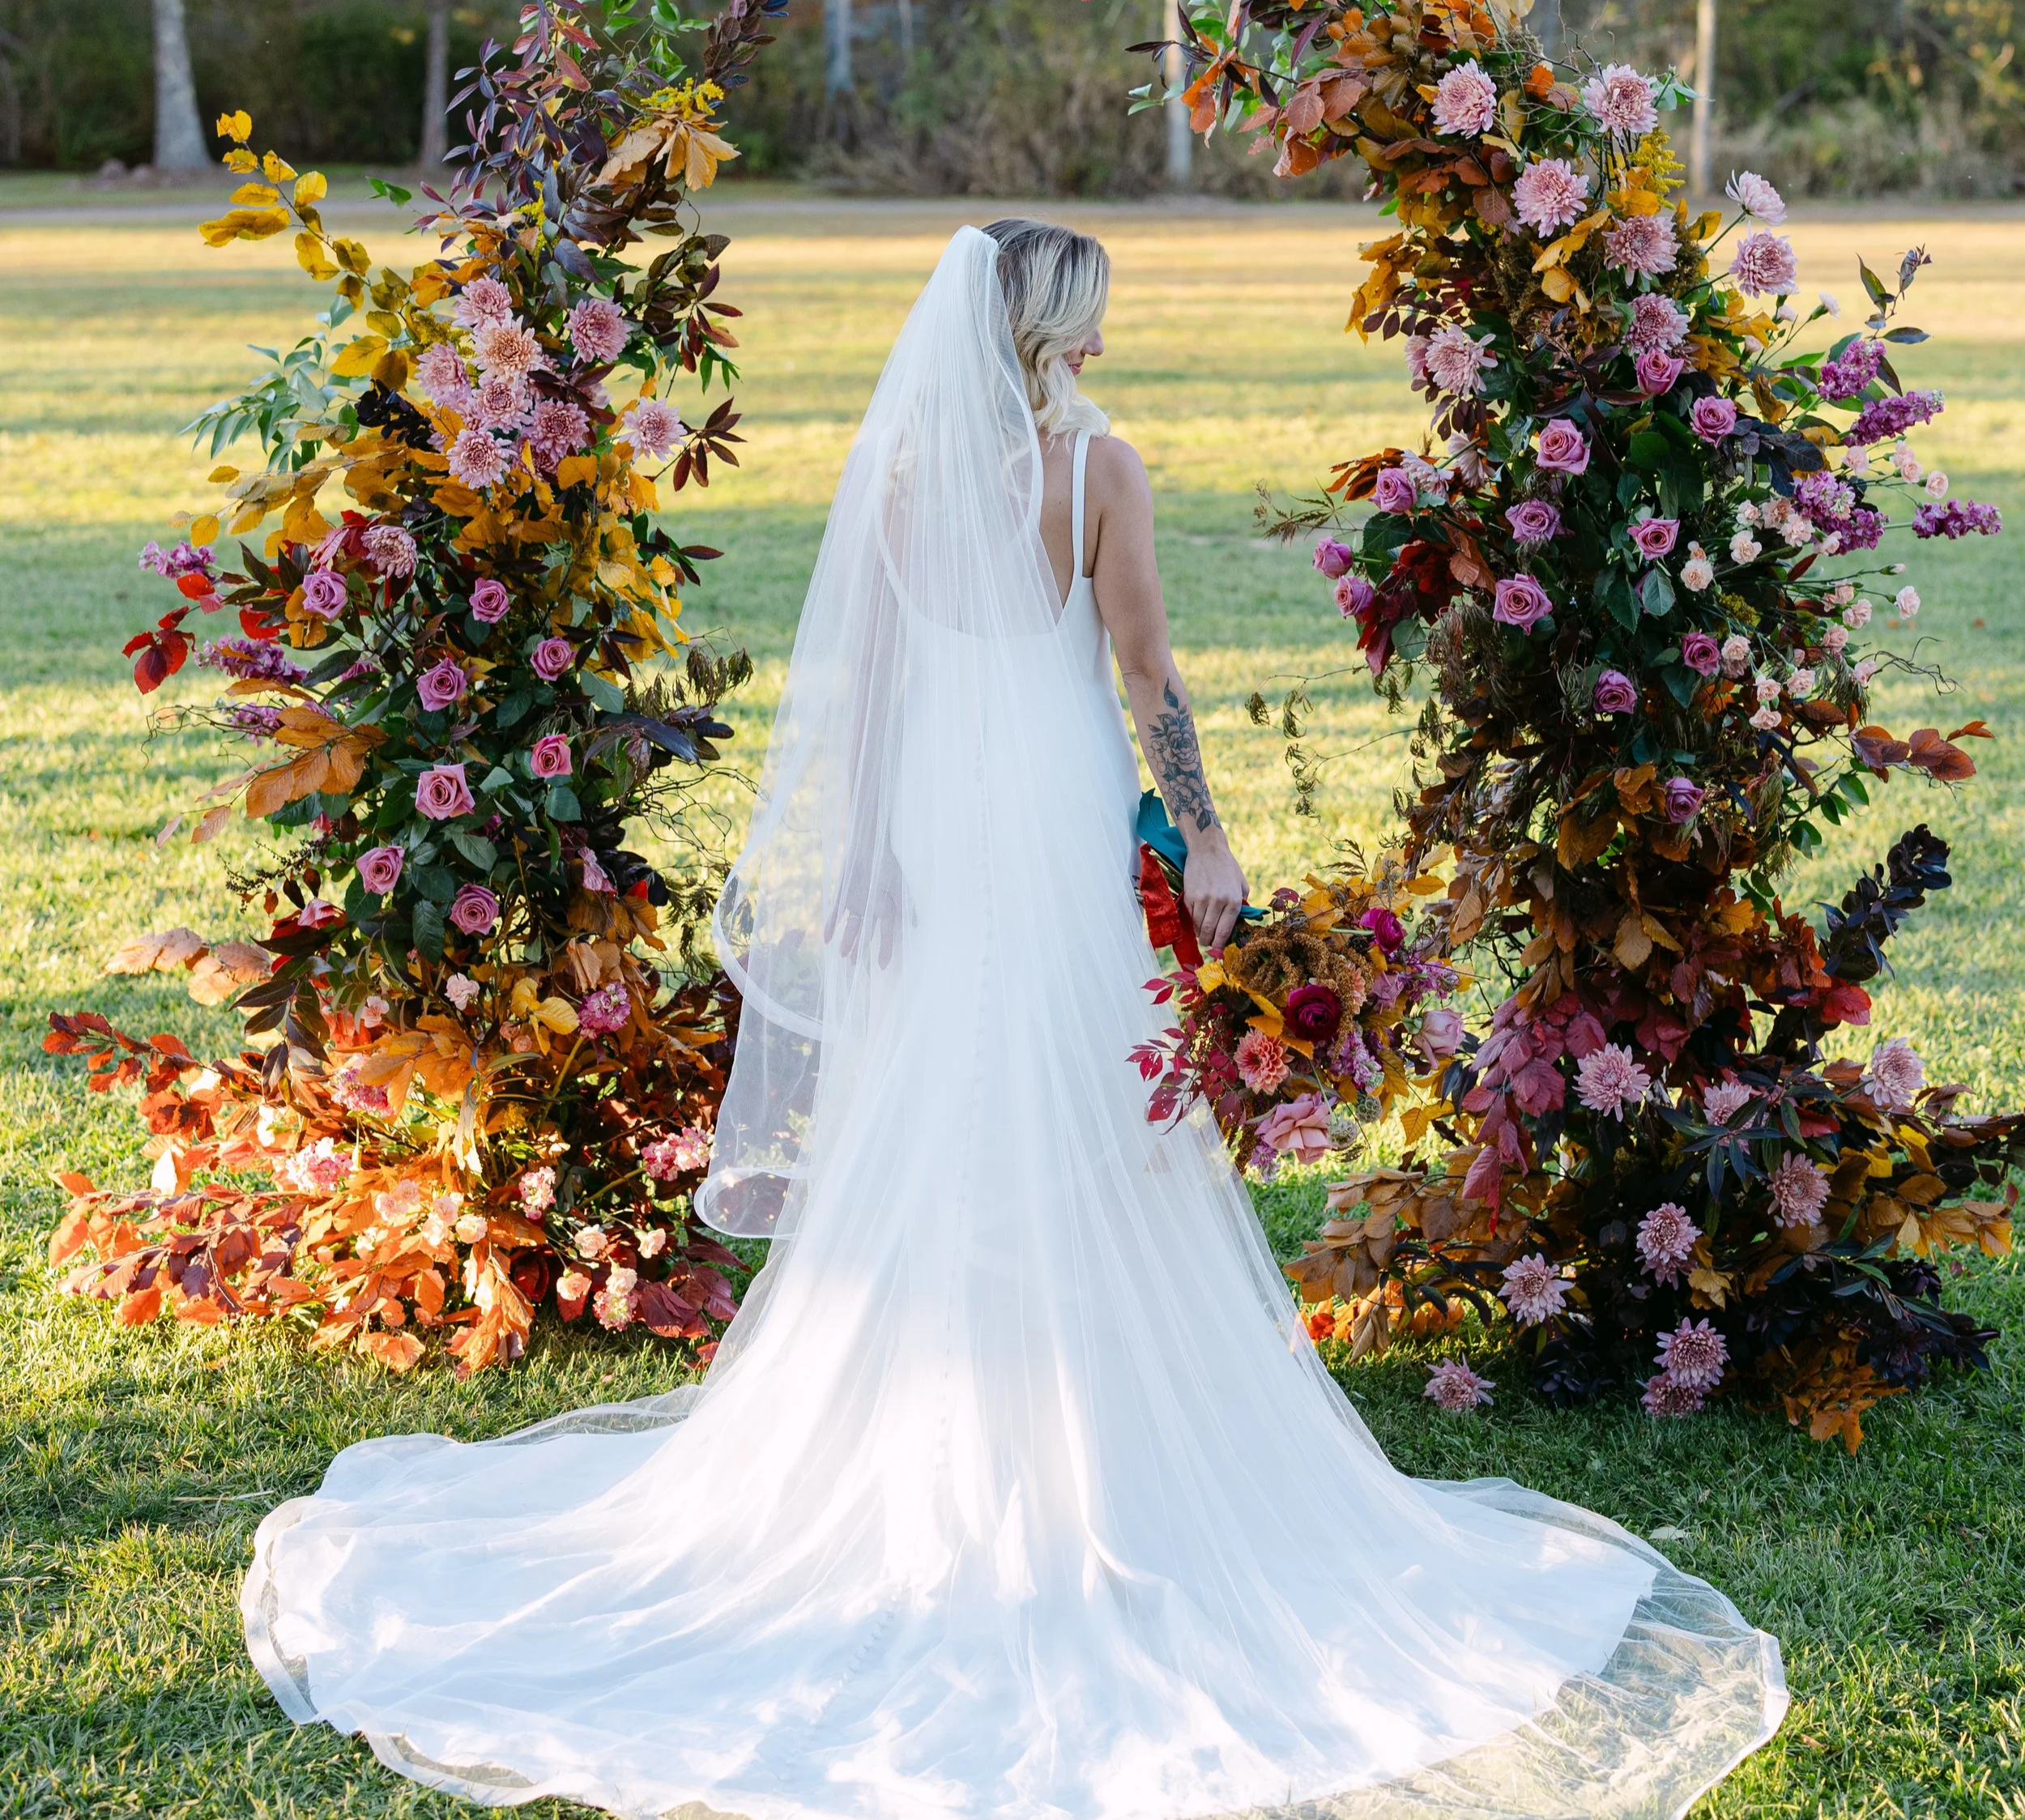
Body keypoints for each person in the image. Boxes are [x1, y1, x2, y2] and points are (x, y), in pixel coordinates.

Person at [243, 221, 1787, 1819]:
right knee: (1074, 1113)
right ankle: (1066, 1443)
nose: (1108, 336)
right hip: (1047, 821)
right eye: (1095, 312)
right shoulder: (1096, 468)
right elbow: (1143, 670)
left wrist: (860, 865)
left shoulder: (912, 475)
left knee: (950, 1107)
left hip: (932, 827)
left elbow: (883, 699)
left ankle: (968, 1429)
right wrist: (1199, 831)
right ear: (1057, 326)